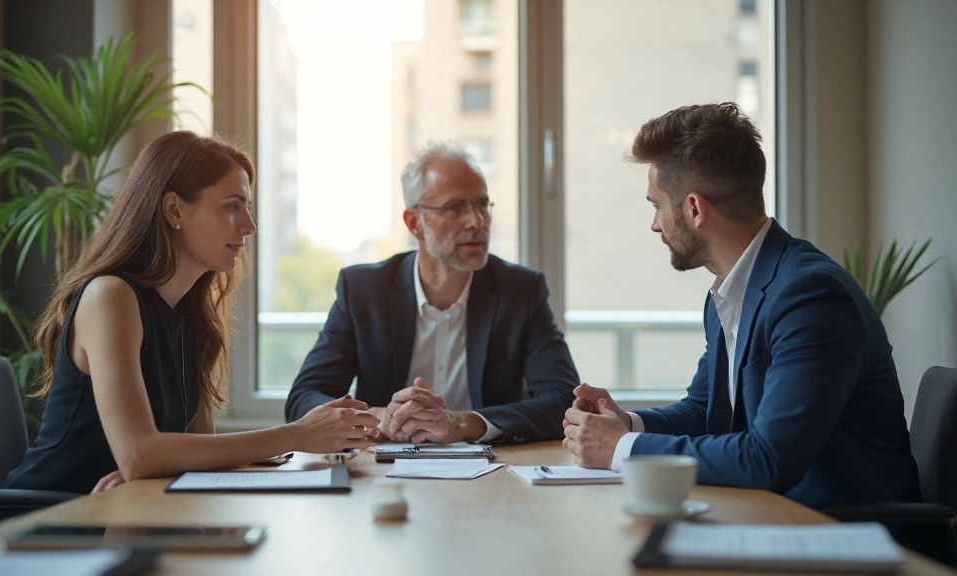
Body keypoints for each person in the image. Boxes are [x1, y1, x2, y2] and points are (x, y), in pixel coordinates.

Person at [562, 103, 920, 507]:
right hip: (770, 518)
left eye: (657, 205)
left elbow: (770, 459)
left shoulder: (811, 296)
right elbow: (705, 411)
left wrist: (622, 448)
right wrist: (628, 424)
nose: (655, 224)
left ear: (695, 209)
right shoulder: (730, 291)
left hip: (847, 535)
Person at [2, 131, 379, 495]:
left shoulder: (190, 315)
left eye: (246, 207)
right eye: (232, 206)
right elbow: (138, 455)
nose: (249, 226)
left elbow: (198, 451)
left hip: (121, 518)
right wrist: (296, 434)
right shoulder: (110, 296)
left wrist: (156, 465)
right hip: (42, 524)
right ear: (174, 209)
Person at [285, 143, 578, 445]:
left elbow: (563, 400)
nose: (477, 221)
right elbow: (303, 400)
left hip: (492, 474)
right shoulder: (363, 290)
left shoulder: (519, 291)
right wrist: (378, 416)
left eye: (482, 205)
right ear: (415, 223)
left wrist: (465, 422)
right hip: (384, 475)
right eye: (454, 208)